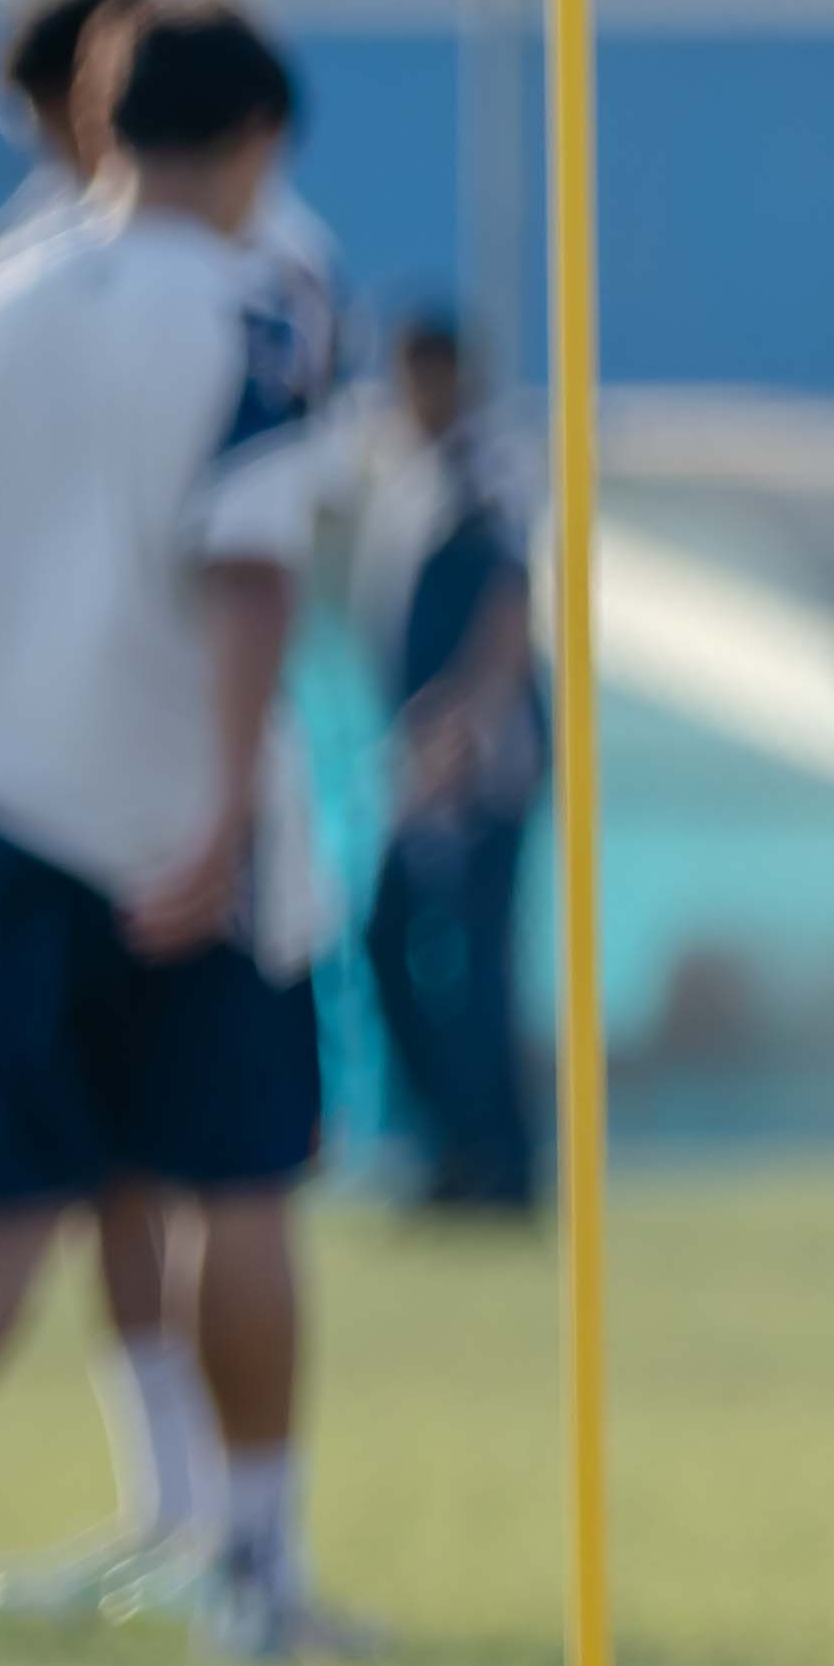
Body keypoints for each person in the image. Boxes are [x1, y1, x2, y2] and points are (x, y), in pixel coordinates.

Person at [0, 0, 371, 1666]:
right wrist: (218, 804)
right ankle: (257, 1565)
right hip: (173, 814)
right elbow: (250, 564)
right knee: (238, 1183)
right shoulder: (253, 309)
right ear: (256, 140)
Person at [350, 303, 544, 1215]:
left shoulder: (483, 470)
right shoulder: (408, 474)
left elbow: (509, 603)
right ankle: (452, 1144)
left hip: (475, 763)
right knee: (390, 939)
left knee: (476, 958)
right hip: (419, 756)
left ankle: (498, 1161)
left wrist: (461, 727)